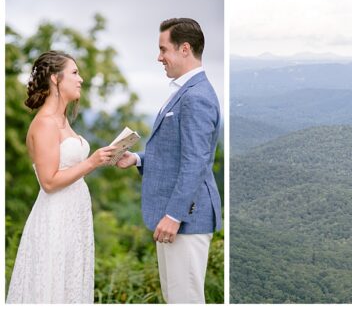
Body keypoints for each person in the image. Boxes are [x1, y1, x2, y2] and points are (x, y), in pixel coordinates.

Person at [115, 17, 222, 304]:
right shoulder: (185, 91)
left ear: (184, 48)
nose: (159, 57)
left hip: (186, 218)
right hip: (176, 217)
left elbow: (195, 161)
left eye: (164, 49)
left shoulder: (196, 96)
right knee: (175, 297)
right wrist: (137, 158)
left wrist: (174, 215)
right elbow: (175, 154)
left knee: (184, 300)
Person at [6, 51, 119, 303]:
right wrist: (92, 162)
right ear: (56, 79)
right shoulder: (45, 123)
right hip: (55, 217)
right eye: (75, 73)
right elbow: (48, 182)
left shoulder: (63, 120)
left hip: (74, 216)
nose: (81, 79)